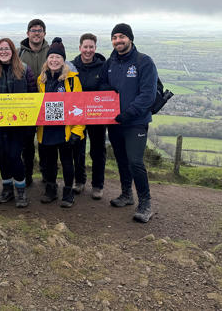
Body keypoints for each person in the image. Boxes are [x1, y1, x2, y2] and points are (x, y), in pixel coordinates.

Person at [101, 23, 157, 223]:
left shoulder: (144, 62)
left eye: (122, 36)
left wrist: (128, 113)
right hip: (115, 121)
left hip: (136, 122)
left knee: (135, 161)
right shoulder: (111, 62)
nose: (118, 40)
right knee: (122, 160)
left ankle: (145, 203)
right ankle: (126, 194)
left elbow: (148, 95)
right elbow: (103, 84)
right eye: (115, 37)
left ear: (130, 39)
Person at [0, 38, 37, 208]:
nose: (4, 52)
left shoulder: (25, 70)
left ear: (13, 51)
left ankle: (21, 191)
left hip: (19, 125)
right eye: (0, 49)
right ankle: (7, 190)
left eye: (7, 49)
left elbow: (33, 96)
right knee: (3, 157)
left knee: (14, 156)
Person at [36, 38, 85, 208]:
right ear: (47, 60)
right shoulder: (40, 80)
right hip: (47, 129)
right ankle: (50, 190)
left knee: (67, 163)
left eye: (58, 57)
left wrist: (77, 132)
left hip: (65, 129)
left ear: (63, 60)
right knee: (48, 163)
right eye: (51, 57)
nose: (54, 60)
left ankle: (68, 192)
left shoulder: (72, 80)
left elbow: (80, 106)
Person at [71, 33, 107, 199]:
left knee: (97, 150)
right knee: (77, 148)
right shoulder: (71, 66)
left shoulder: (103, 66)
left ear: (95, 48)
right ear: (80, 48)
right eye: (85, 47)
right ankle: (79, 181)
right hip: (77, 115)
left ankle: (98, 185)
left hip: (97, 116)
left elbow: (108, 88)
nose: (88, 50)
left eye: (91, 47)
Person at [18, 19, 49, 186]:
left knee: (46, 142)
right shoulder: (19, 53)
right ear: (27, 33)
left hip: (47, 103)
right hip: (26, 105)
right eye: (33, 30)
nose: (36, 33)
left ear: (44, 33)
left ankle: (46, 174)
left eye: (40, 30)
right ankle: (27, 175)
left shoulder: (51, 51)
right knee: (27, 143)